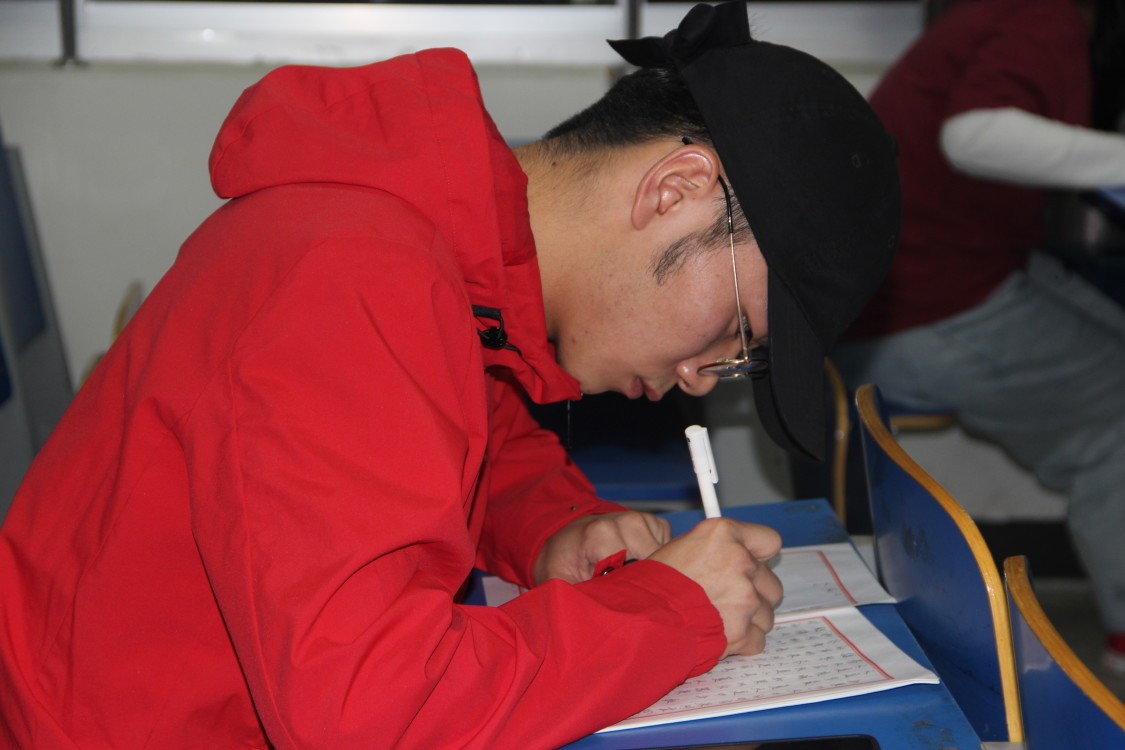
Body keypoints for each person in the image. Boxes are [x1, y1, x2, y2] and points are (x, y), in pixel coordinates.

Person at [0, 3, 900, 747]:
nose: (703, 379)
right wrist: (671, 612)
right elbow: (366, 709)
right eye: (737, 329)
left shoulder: (442, 255)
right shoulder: (349, 280)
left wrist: (552, 527)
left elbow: (461, 436)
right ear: (675, 190)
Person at [831, 0, 1125, 676]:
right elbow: (975, 136)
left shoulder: (1009, 13)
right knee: (1116, 415)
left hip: (914, 290)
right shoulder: (1044, 12)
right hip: (922, 306)